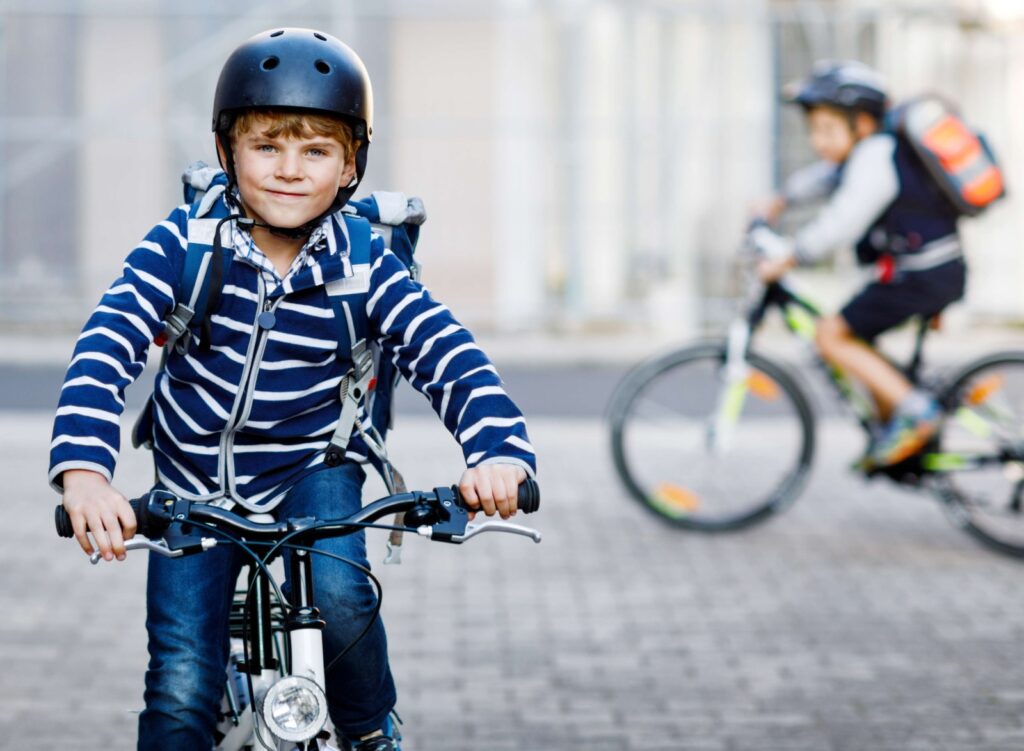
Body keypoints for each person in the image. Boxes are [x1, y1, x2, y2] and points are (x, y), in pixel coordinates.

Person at [48, 28, 536, 750]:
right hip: (194, 481)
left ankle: (373, 730)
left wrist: (497, 451)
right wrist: (86, 474)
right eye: (266, 145)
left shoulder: (367, 266)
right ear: (227, 152)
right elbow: (107, 343)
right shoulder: (182, 246)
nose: (288, 169)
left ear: (349, 167)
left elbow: (449, 355)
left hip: (314, 465)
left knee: (342, 599)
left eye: (316, 150)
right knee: (182, 686)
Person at [751, 60, 966, 468]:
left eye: (827, 130)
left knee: (831, 335)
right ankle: (900, 435)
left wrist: (791, 256)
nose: (818, 141)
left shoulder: (877, 156)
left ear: (862, 124)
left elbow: (843, 220)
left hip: (921, 275)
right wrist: (780, 200)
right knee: (858, 338)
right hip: (925, 272)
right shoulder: (868, 151)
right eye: (813, 129)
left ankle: (916, 414)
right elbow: (824, 179)